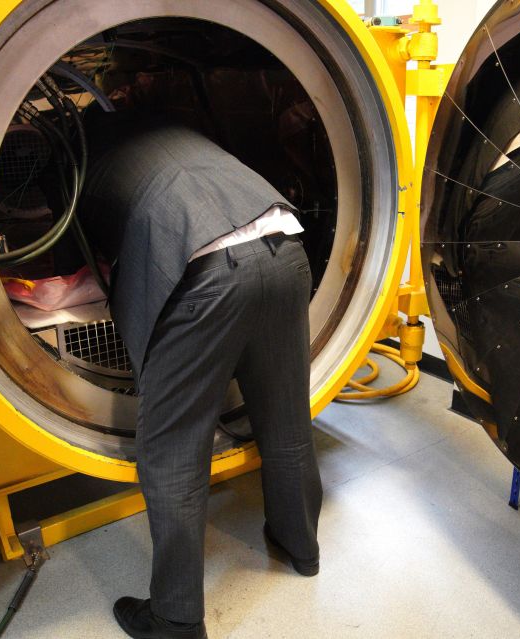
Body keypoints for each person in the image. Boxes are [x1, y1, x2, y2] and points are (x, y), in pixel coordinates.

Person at [78, 117, 323, 639]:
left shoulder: (84, 167)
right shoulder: (173, 129)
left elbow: (91, 265)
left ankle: (174, 619)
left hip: (205, 274)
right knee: (286, 422)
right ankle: (299, 545)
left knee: (172, 455)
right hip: (287, 246)